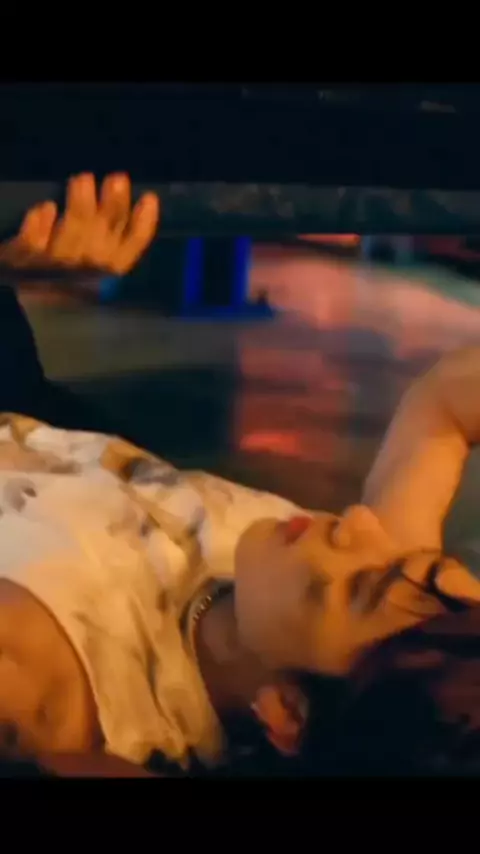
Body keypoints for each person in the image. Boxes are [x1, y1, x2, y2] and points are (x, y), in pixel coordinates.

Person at [1, 171, 480, 777]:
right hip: (43, 430)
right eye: (425, 562)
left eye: (355, 587)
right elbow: (446, 403)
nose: (361, 523)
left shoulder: (48, 681)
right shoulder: (407, 608)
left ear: (286, 713)